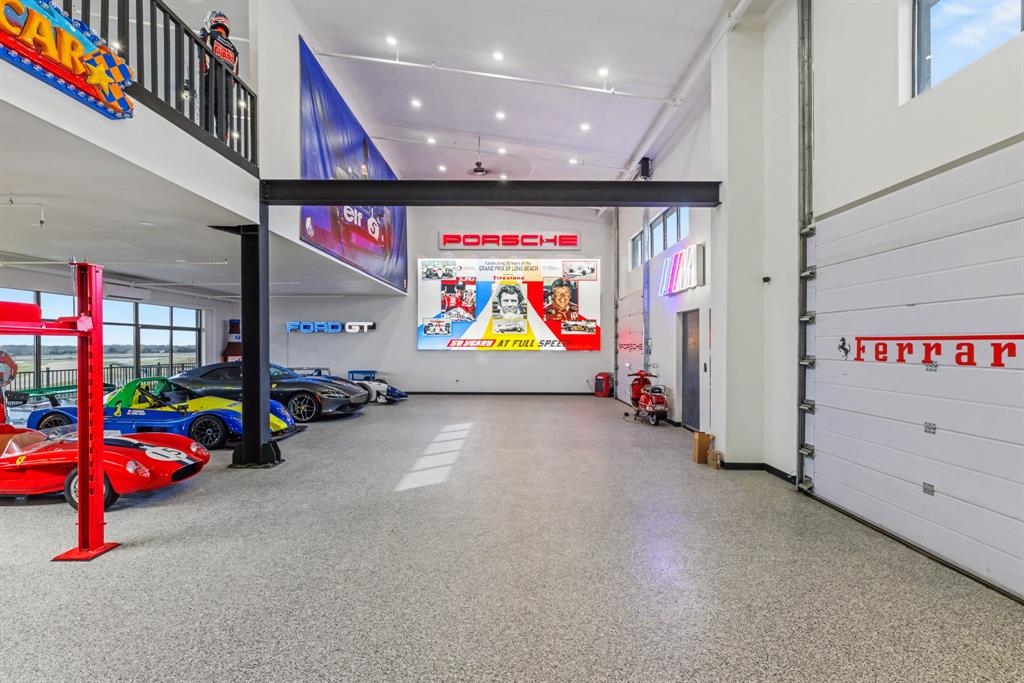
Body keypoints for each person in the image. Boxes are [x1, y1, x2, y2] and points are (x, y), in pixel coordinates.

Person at [199, 10, 239, 141]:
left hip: (210, 80)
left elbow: (203, 55)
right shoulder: (234, 49)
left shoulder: (210, 35)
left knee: (206, 109)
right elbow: (235, 75)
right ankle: (223, 140)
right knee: (223, 115)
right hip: (226, 86)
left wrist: (203, 71)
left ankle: (205, 138)